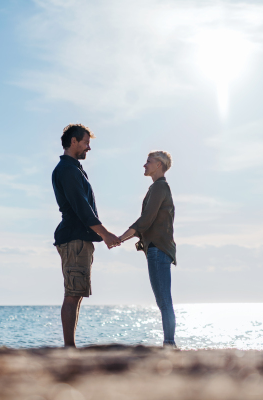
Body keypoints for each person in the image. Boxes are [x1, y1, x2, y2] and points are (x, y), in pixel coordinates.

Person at [52, 123, 121, 348]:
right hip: (74, 239)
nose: (88, 148)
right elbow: (82, 208)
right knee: (72, 294)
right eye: (86, 143)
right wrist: (106, 234)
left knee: (77, 293)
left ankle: (70, 346)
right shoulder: (68, 170)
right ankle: (69, 348)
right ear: (73, 141)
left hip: (80, 239)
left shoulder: (75, 169)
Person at [119, 150, 177, 347]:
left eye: (148, 161)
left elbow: (146, 220)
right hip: (159, 249)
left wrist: (120, 238)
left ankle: (169, 344)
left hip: (158, 249)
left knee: (164, 302)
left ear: (159, 165)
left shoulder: (160, 187)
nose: (144, 165)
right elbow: (147, 222)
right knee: (163, 301)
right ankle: (169, 343)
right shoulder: (157, 188)